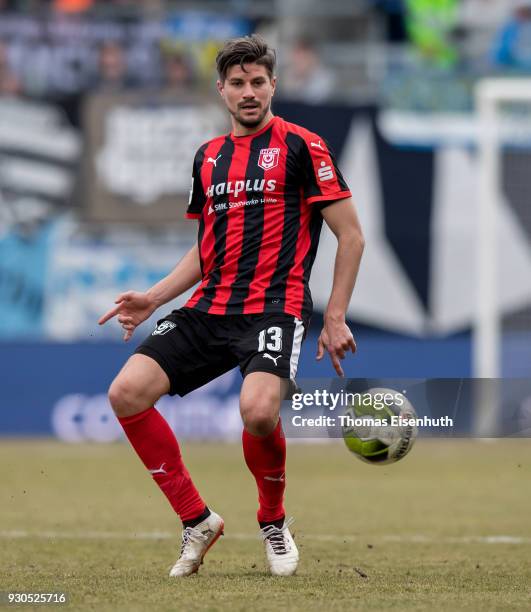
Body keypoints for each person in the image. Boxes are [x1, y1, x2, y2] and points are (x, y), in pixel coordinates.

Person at [99, 34, 364, 578]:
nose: (249, 92)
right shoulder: (208, 158)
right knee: (126, 393)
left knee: (259, 410)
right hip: (210, 307)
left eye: (258, 82)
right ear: (222, 90)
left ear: (273, 86)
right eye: (238, 83)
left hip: (275, 306)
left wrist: (334, 315)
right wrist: (154, 297)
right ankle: (195, 519)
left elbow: (352, 236)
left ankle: (273, 521)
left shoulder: (302, 146)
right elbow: (207, 247)